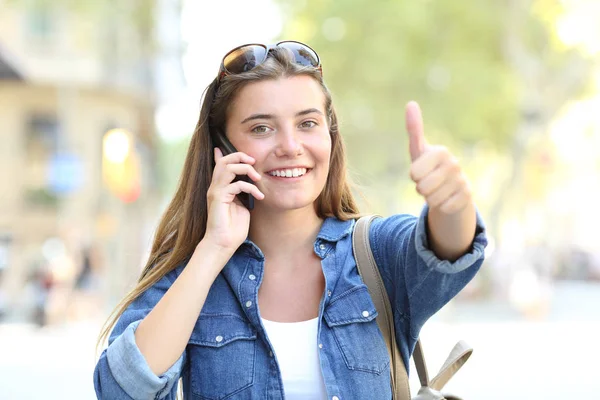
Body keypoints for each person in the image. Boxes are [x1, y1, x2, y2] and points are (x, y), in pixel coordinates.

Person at [93, 41, 487, 400]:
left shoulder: (376, 253)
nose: (289, 146)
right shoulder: (193, 275)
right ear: (223, 149)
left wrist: (453, 204)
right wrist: (213, 249)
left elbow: (447, 251)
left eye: (307, 123)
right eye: (261, 128)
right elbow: (121, 390)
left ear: (330, 136)